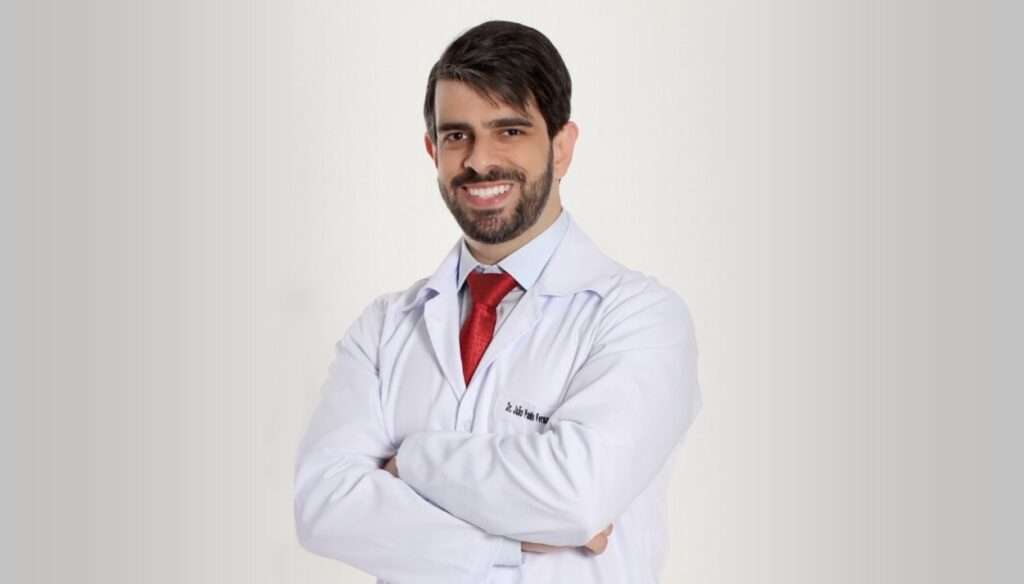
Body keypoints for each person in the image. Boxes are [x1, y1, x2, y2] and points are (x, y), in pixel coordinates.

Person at [294, 20, 702, 584]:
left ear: (562, 147)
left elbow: (575, 498)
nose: (480, 160)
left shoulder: (640, 318)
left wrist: (410, 460)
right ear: (432, 150)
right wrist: (506, 546)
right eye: (456, 135)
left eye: (509, 130)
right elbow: (322, 507)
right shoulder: (384, 328)